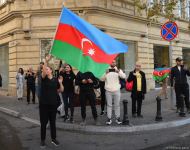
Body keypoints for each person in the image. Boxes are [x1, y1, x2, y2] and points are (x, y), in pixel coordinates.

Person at [39, 55, 64, 148]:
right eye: (45, 69)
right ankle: (42, 140)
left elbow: (61, 90)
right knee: (44, 123)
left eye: (48, 69)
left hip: (53, 105)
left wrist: (61, 83)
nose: (46, 70)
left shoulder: (55, 80)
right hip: (44, 104)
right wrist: (46, 61)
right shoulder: (44, 78)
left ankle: (53, 139)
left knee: (53, 122)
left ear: (51, 71)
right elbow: (43, 70)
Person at [102, 60, 126, 125]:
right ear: (110, 63)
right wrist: (105, 73)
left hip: (117, 90)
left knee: (117, 105)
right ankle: (109, 119)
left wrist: (118, 72)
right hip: (108, 90)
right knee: (109, 105)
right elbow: (101, 79)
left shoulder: (118, 70)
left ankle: (117, 118)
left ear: (116, 63)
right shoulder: (106, 70)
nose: (113, 63)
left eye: (114, 62)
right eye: (112, 62)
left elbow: (124, 76)